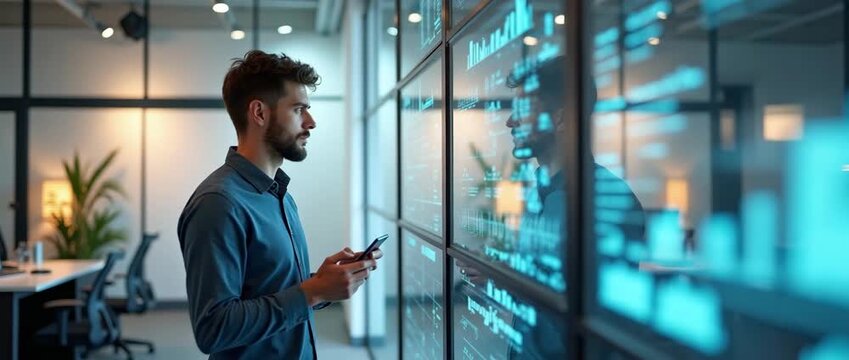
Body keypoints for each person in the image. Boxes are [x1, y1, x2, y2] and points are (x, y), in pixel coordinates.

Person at [178, 50, 381, 359]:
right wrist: (311, 292)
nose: (311, 122)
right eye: (299, 109)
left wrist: (322, 284)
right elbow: (213, 329)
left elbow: (274, 289)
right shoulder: (219, 204)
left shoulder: (280, 196)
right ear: (259, 113)